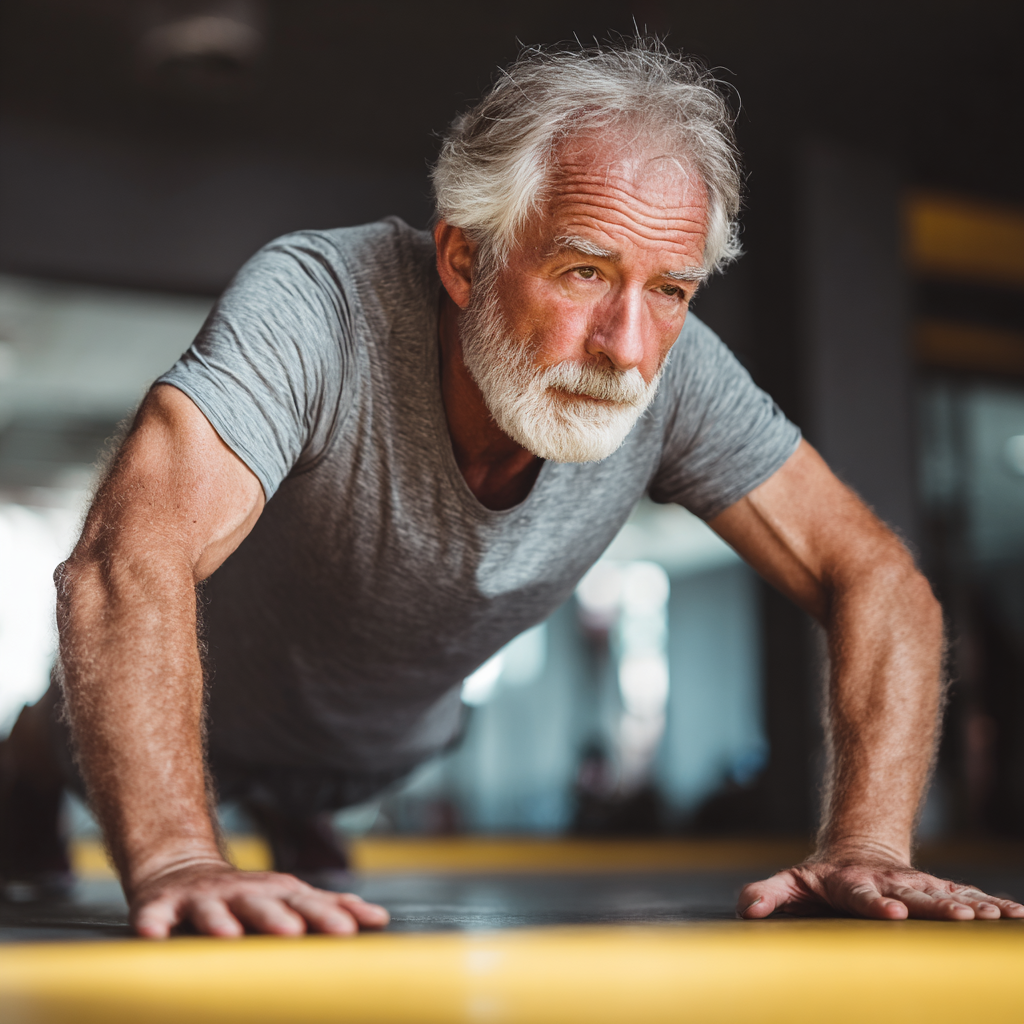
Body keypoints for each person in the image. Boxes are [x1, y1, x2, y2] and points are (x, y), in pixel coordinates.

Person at [3, 39, 1021, 938]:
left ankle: (293, 810)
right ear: (461, 256)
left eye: (668, 290)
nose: (628, 348)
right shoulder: (318, 304)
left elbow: (873, 572)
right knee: (49, 746)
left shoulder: (678, 374)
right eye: (582, 271)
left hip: (380, 748)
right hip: (203, 712)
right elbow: (123, 558)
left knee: (318, 791)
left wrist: (870, 846)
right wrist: (181, 855)